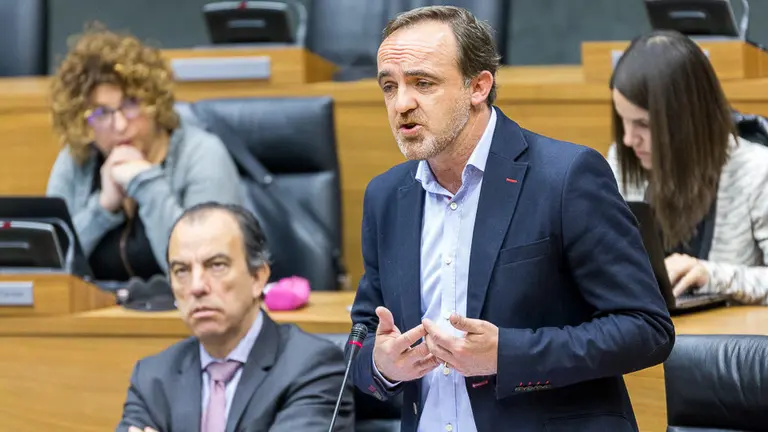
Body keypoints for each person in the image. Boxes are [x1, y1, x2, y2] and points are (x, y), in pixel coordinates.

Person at [349, 6, 675, 431]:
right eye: (389, 86)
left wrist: (507, 356)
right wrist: (381, 363)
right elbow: (362, 337)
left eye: (422, 83)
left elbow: (646, 329)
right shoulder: (386, 196)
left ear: (479, 86)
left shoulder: (566, 177)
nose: (402, 103)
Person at [117, 202, 354, 432]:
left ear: (258, 277)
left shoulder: (312, 367)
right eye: (182, 271)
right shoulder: (152, 377)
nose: (197, 286)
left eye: (216, 265)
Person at [46, 25, 242, 282]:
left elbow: (201, 271)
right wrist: (103, 208)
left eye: (130, 105)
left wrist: (147, 185)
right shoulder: (76, 160)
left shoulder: (202, 155)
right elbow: (49, 267)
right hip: (97, 318)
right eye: (101, 113)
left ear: (154, 103)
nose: (120, 125)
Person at [607, 30, 768, 305]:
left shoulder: (757, 170)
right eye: (624, 120)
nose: (628, 139)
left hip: (724, 339)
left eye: (644, 124)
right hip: (643, 338)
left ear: (687, 120)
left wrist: (711, 275)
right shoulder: (621, 161)